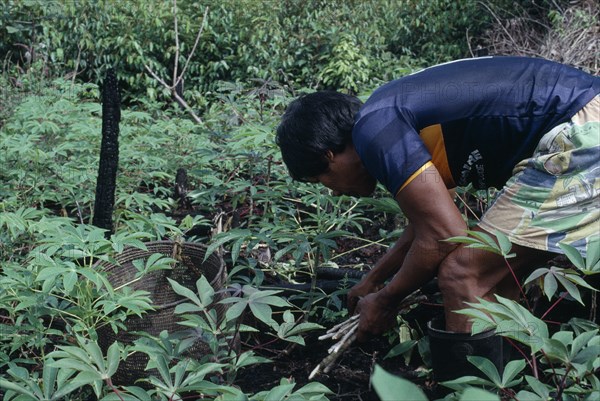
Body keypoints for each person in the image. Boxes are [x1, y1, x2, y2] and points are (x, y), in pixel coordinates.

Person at [276, 56, 600, 379]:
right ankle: (513, 382)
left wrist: (386, 301)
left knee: (462, 275)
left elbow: (446, 233)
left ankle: (472, 392)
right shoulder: (392, 115)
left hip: (580, 136)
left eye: (321, 181)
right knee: (494, 280)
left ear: (328, 156)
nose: (332, 192)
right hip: (584, 122)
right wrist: (372, 280)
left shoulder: (374, 128)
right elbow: (426, 224)